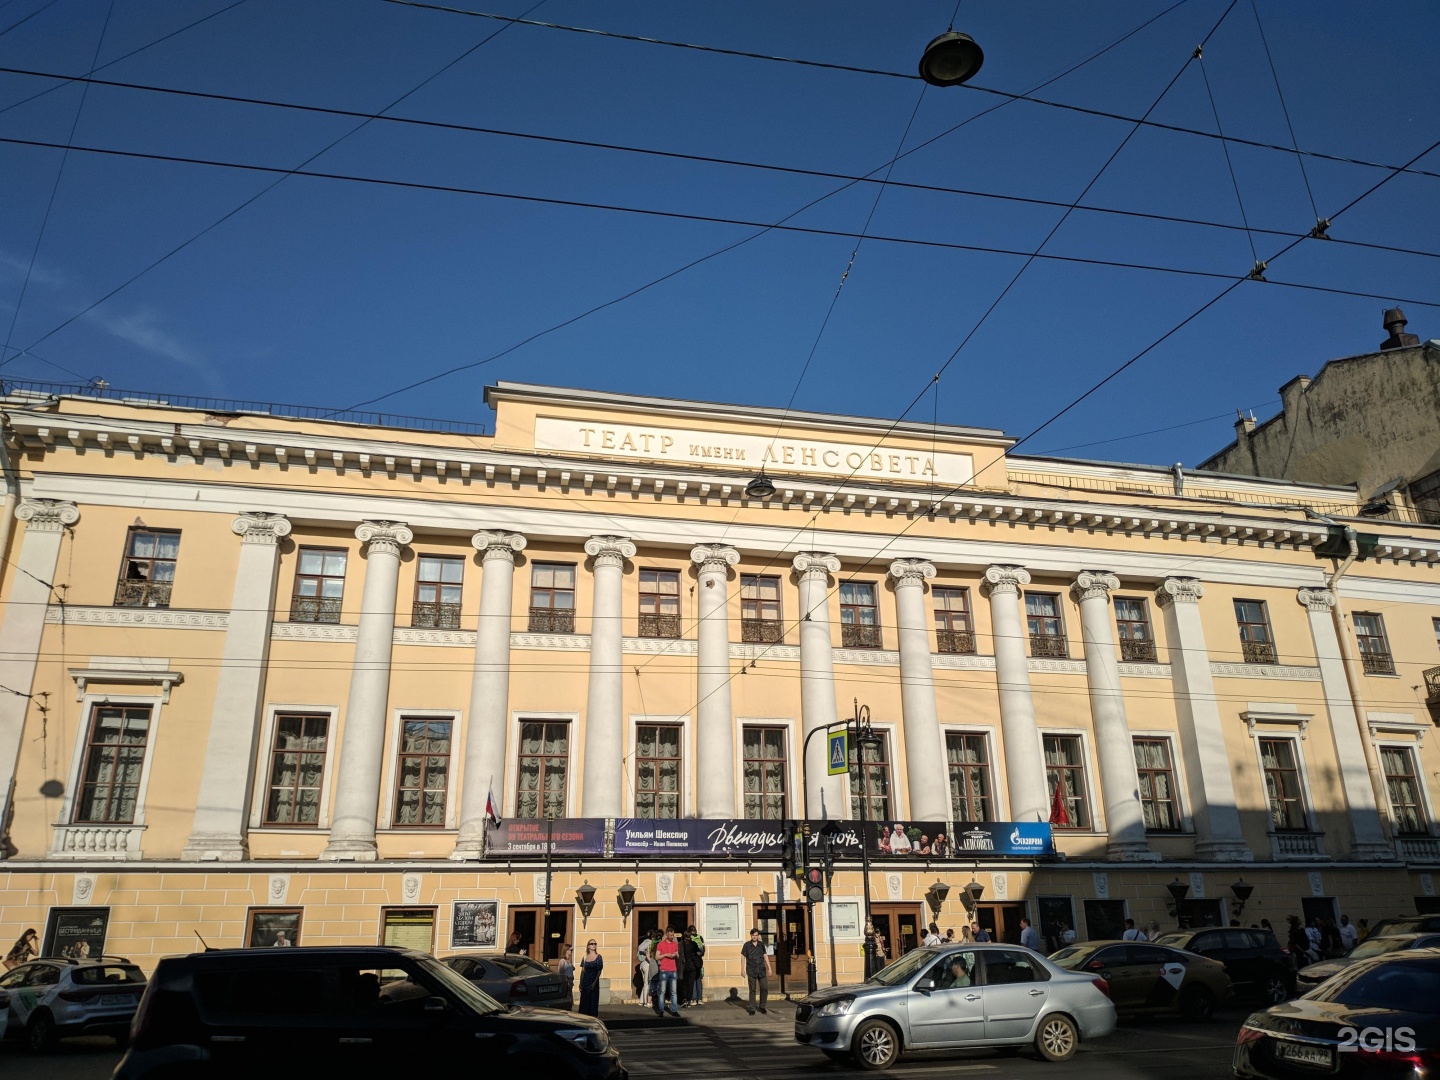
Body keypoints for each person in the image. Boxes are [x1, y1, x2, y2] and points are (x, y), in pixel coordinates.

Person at [741, 927, 770, 1015]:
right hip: (751, 970)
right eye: (753, 935)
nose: (754, 937)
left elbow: (765, 955)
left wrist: (769, 967)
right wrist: (742, 969)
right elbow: (743, 956)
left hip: (761, 969)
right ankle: (752, 1009)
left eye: (756, 935)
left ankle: (762, 1006)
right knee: (752, 989)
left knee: (764, 987)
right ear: (751, 935)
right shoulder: (746, 945)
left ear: (758, 936)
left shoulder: (761, 944)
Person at [655, 927, 682, 1018]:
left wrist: (676, 955)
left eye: (673, 935)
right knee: (662, 992)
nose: (672, 937)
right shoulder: (660, 944)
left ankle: (674, 1010)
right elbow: (657, 957)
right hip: (664, 970)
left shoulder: (675, 944)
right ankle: (661, 1010)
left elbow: (678, 955)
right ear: (666, 934)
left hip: (673, 970)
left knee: (674, 992)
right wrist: (665, 955)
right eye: (670, 935)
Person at [577, 940, 603, 1017]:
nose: (594, 945)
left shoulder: (598, 957)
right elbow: (582, 972)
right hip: (585, 981)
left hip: (593, 981)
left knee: (592, 1001)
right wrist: (580, 983)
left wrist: (594, 983)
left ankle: (593, 1018)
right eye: (592, 944)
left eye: (595, 944)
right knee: (584, 1001)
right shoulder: (585, 957)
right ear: (588, 946)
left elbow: (599, 971)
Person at [684, 925, 706, 1005]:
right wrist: (700, 955)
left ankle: (693, 999)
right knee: (698, 980)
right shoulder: (700, 937)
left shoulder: (690, 939)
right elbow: (703, 949)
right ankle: (699, 999)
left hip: (692, 962)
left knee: (692, 980)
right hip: (699, 961)